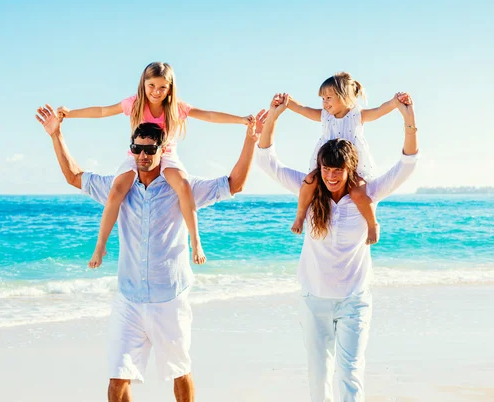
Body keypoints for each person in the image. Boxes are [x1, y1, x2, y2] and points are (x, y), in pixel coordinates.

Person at [35, 103, 265, 402]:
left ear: (162, 151)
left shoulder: (181, 187)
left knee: (180, 374)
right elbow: (74, 176)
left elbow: (235, 184)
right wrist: (56, 134)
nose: (143, 155)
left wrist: (250, 139)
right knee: (118, 379)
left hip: (169, 299)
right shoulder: (119, 186)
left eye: (150, 150)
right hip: (128, 299)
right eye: (138, 149)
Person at [256, 94, 419, 401]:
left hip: (354, 302)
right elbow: (267, 162)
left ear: (350, 169)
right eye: (326, 169)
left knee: (349, 373)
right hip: (313, 301)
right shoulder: (309, 189)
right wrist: (275, 117)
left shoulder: (366, 194)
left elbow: (407, 165)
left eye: (338, 170)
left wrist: (408, 119)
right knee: (318, 379)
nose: (331, 176)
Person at [57, 62, 255, 266]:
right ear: (143, 83)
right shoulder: (134, 103)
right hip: (137, 154)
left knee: (183, 186)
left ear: (170, 88)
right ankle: (100, 247)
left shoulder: (175, 107)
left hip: (167, 154)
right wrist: (70, 113)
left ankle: (195, 243)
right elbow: (102, 111)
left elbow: (209, 115)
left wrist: (241, 120)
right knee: (116, 190)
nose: (156, 92)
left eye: (162, 87)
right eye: (151, 85)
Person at [274, 72, 410, 244]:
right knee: (309, 181)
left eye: (329, 98)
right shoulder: (325, 116)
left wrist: (395, 102)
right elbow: (303, 110)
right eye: (322, 99)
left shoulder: (357, 115)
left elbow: (379, 111)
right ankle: (300, 216)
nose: (325, 103)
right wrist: (288, 103)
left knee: (357, 192)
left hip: (352, 167)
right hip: (328, 163)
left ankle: (372, 224)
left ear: (344, 97)